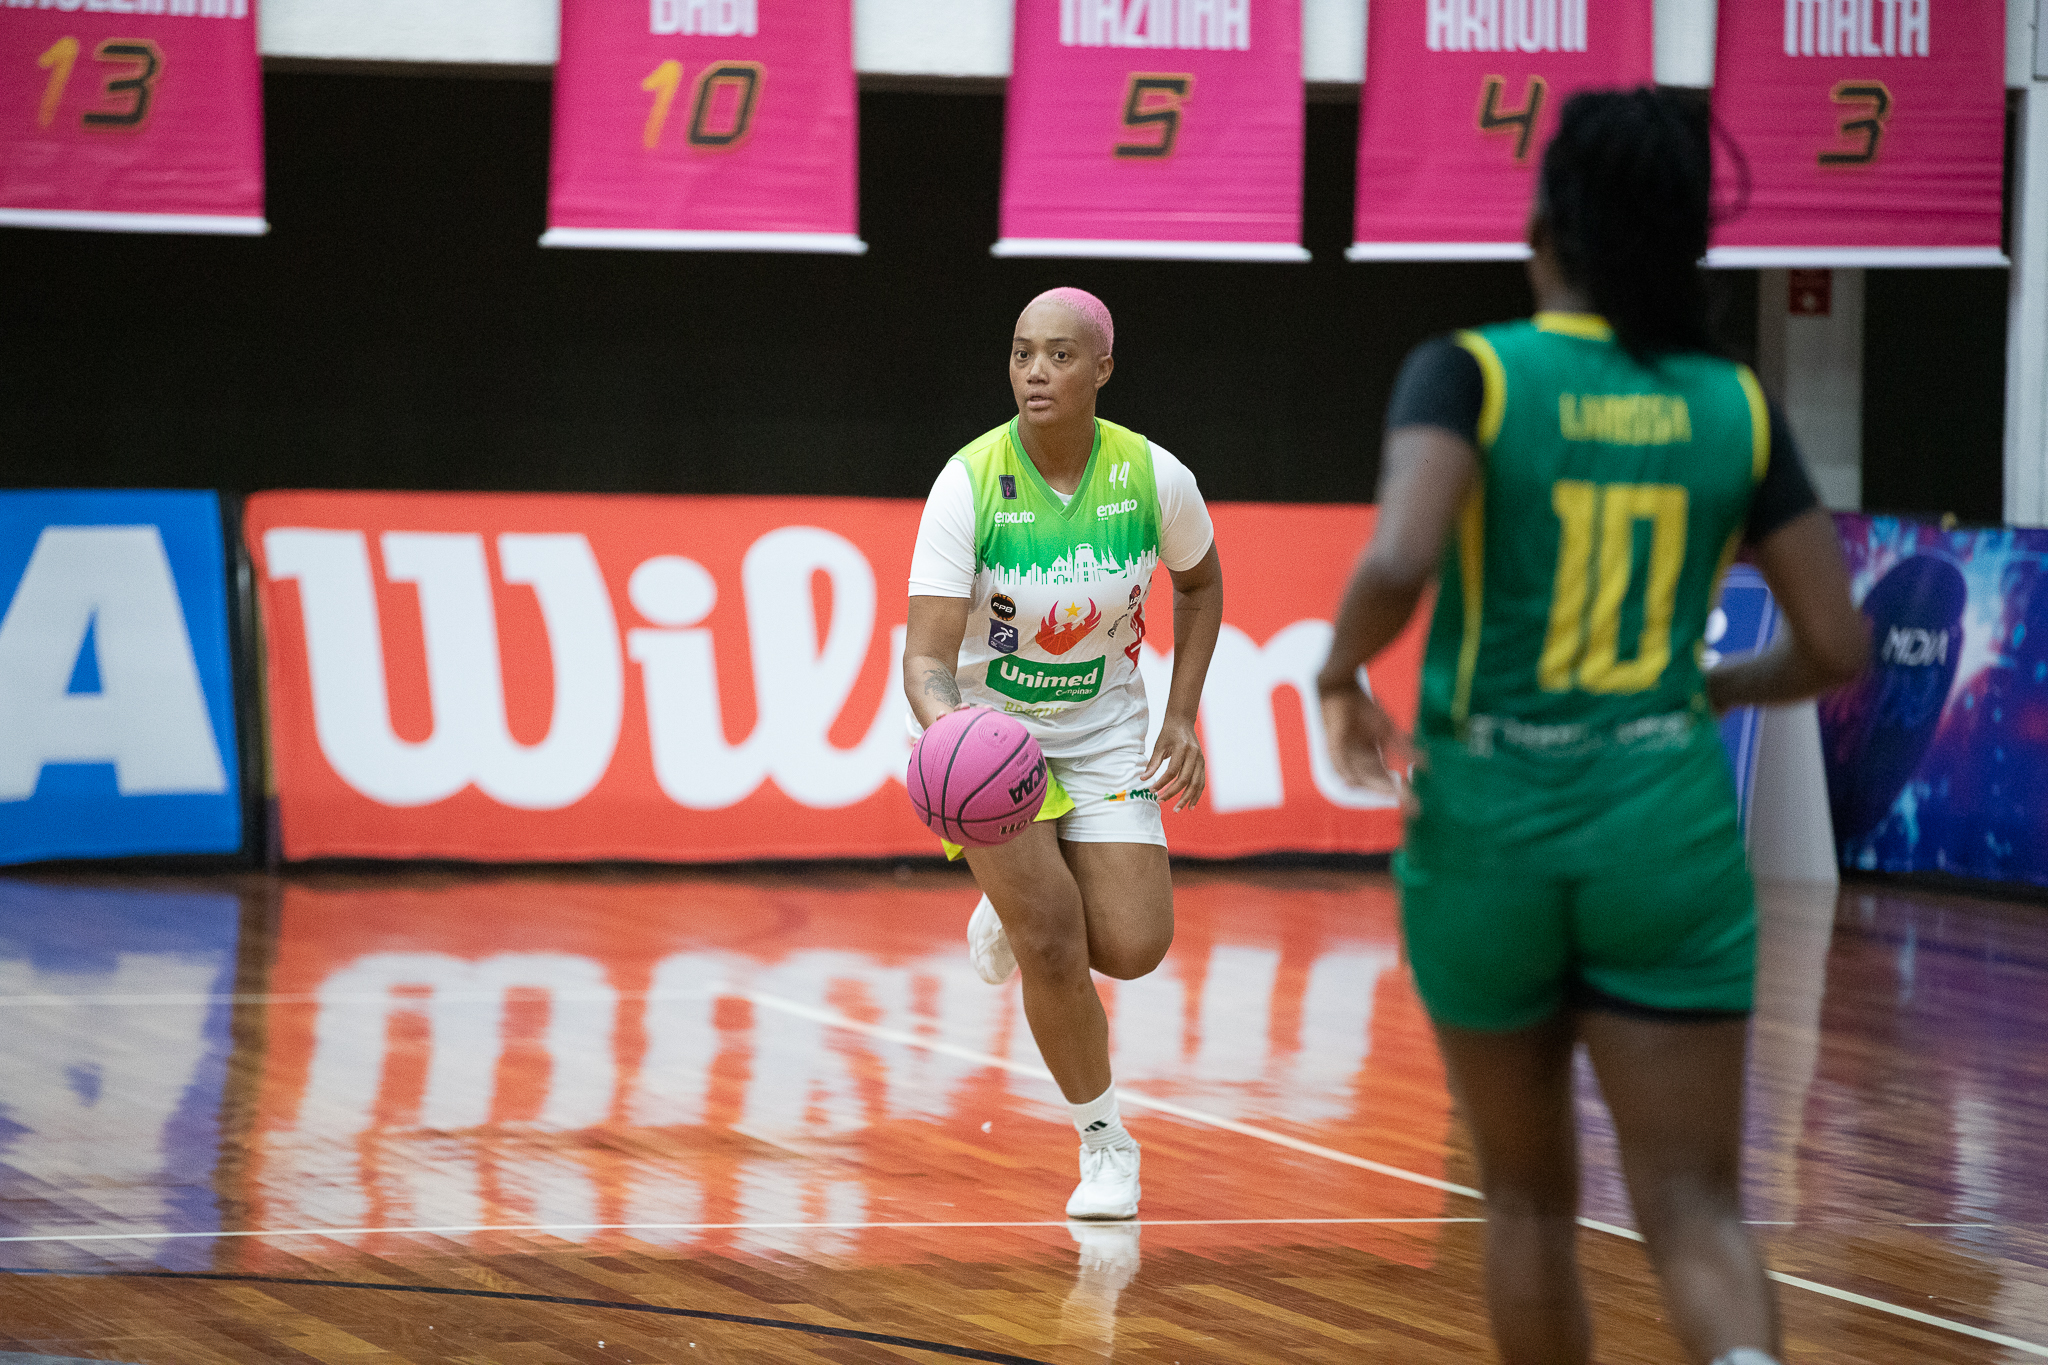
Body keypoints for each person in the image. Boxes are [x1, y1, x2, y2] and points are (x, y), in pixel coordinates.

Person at [1316, 89, 1868, 1365]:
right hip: (1659, 826)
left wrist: (1339, 670)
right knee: (1695, 1209)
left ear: (1544, 225)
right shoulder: (1732, 402)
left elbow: (1400, 555)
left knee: (1522, 1203)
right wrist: (1711, 691)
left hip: (1490, 825)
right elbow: (1834, 646)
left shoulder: (1473, 372)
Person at [902, 287, 1223, 1220]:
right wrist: (951, 727)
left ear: (1102, 369)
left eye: (1057, 355)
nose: (1034, 372)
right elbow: (925, 657)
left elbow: (1200, 584)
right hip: (992, 740)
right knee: (1054, 942)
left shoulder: (1155, 476)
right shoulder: (967, 481)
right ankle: (1105, 1146)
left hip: (1106, 733)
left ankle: (1009, 903)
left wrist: (1181, 714)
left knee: (1131, 944)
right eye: (1020, 354)